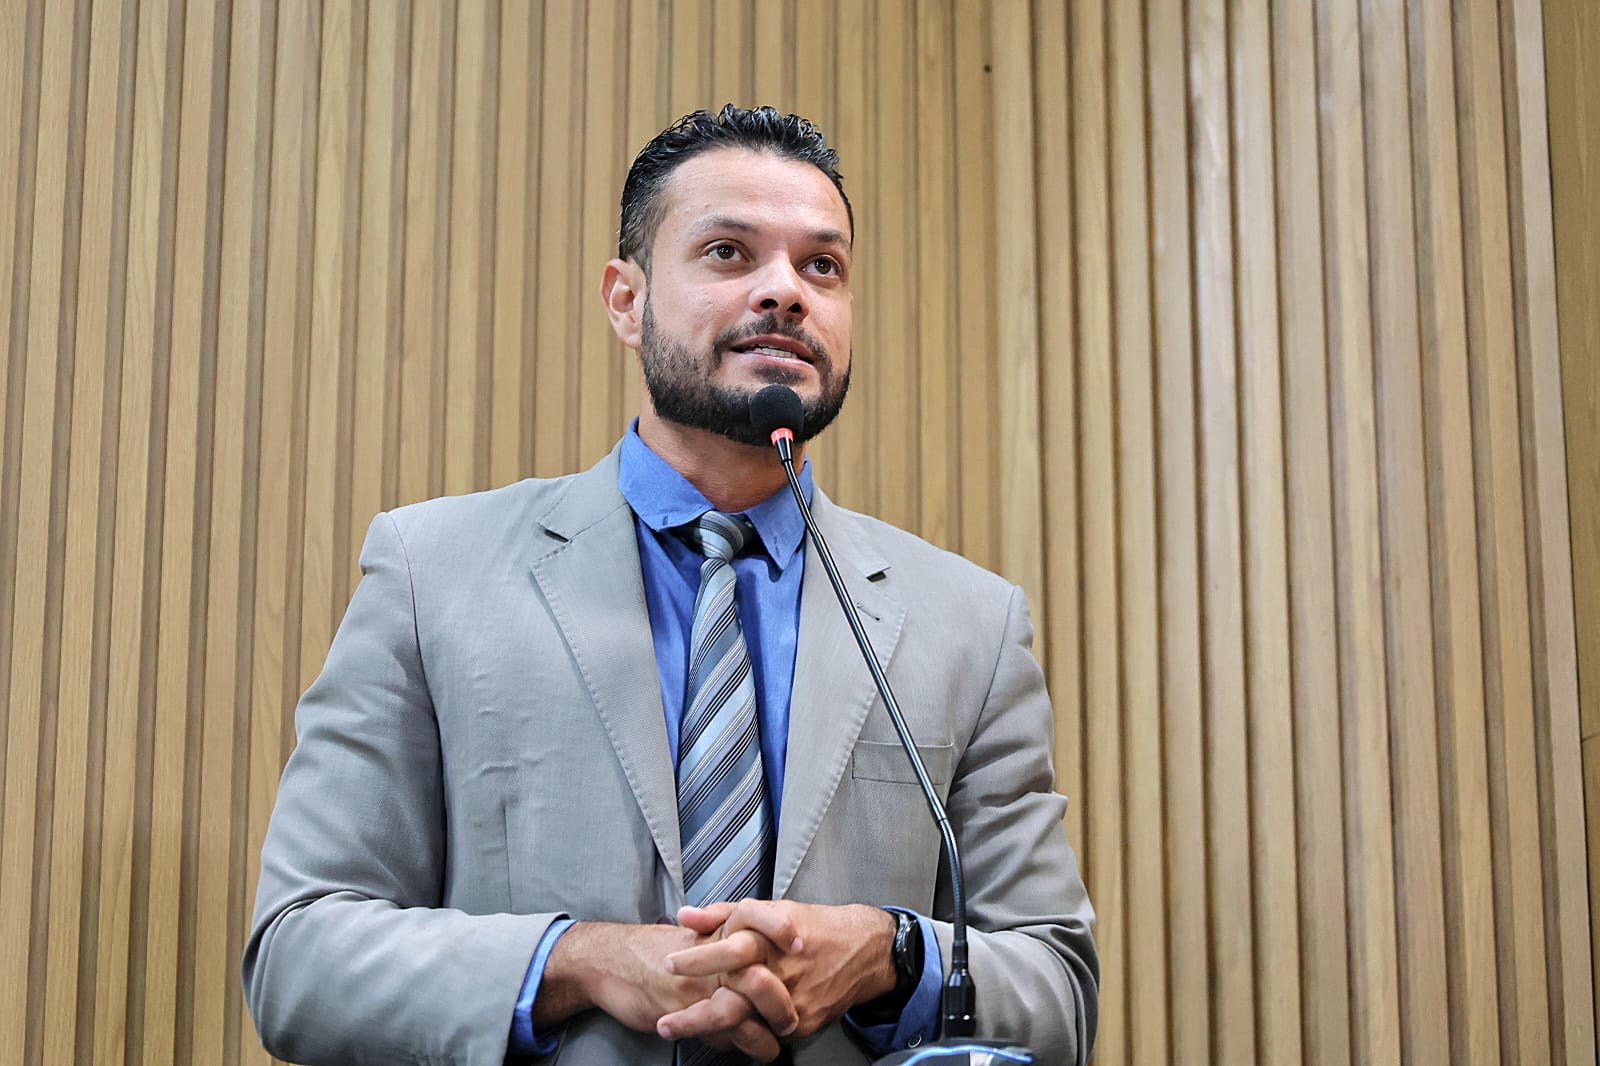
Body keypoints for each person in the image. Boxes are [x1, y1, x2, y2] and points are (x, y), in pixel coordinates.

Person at [242, 105, 1098, 1066]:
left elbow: (1059, 988)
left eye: (822, 266)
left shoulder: (970, 623)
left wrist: (893, 956)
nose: (785, 292)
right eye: (729, 253)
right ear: (626, 300)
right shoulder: (430, 572)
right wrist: (577, 960)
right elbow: (299, 955)